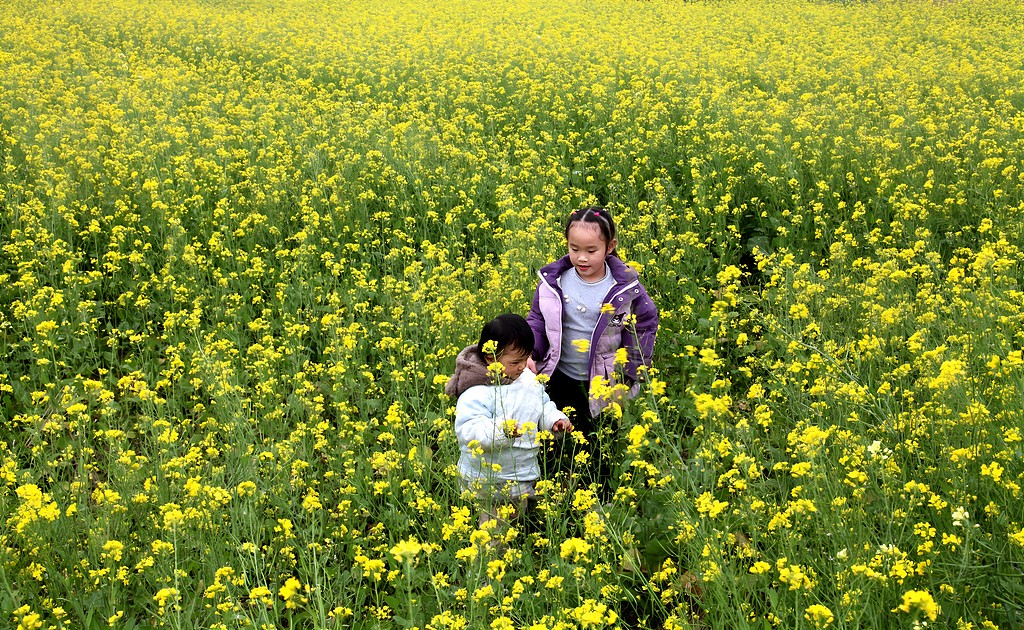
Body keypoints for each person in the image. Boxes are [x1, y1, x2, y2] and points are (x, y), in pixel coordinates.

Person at [526, 206, 658, 496]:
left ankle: (598, 499)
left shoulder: (623, 288)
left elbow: (644, 328)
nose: (582, 258)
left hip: (602, 382)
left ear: (610, 247)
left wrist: (631, 375)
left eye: (591, 250)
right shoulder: (554, 282)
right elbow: (537, 320)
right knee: (552, 435)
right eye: (574, 249)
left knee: (597, 444)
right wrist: (529, 351)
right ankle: (551, 492)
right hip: (557, 374)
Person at [446, 313, 573, 526]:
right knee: (494, 528)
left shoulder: (526, 379)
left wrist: (554, 420)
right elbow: (469, 431)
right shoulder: (476, 391)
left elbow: (541, 405)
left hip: (521, 472)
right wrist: (501, 430)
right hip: (488, 480)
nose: (523, 366)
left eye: (526, 358)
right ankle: (488, 557)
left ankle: (516, 547)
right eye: (516, 361)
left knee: (517, 517)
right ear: (490, 357)